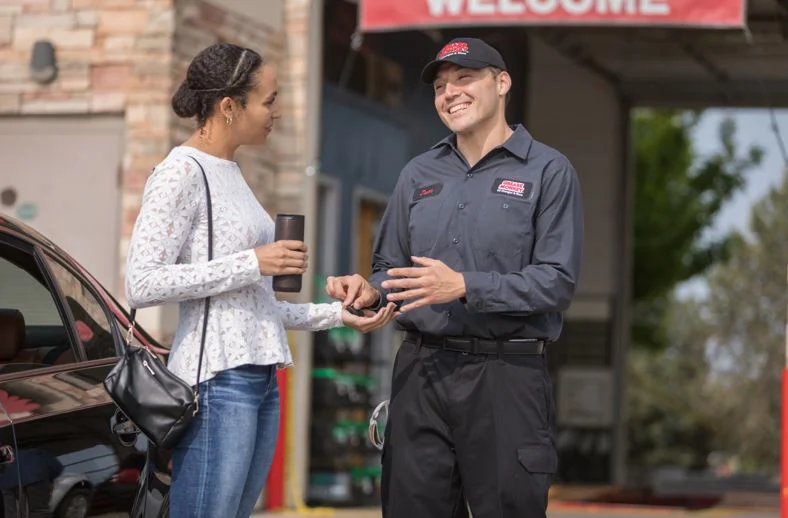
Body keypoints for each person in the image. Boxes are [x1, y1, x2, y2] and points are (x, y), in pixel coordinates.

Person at [125, 43, 397, 518]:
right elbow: (142, 283)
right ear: (229, 106)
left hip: (259, 376)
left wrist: (339, 314)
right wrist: (255, 262)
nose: (278, 111)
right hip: (215, 381)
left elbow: (256, 307)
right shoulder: (180, 173)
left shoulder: (231, 173)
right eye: (269, 100)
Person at [325, 37, 584, 518]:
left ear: (502, 83)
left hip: (507, 378)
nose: (450, 93)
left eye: (465, 79)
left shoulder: (549, 171)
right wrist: (368, 293)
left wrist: (465, 285)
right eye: (441, 86)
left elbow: (557, 282)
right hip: (421, 374)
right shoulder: (417, 173)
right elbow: (390, 272)